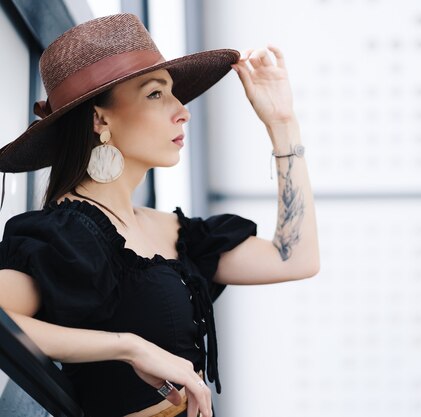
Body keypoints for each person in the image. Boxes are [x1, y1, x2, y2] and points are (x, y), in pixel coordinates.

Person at [0, 13, 319, 417]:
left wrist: (282, 123)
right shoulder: (65, 236)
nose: (182, 111)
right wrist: (129, 347)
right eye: (156, 94)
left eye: (173, 93)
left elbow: (296, 259)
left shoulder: (172, 231)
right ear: (101, 119)